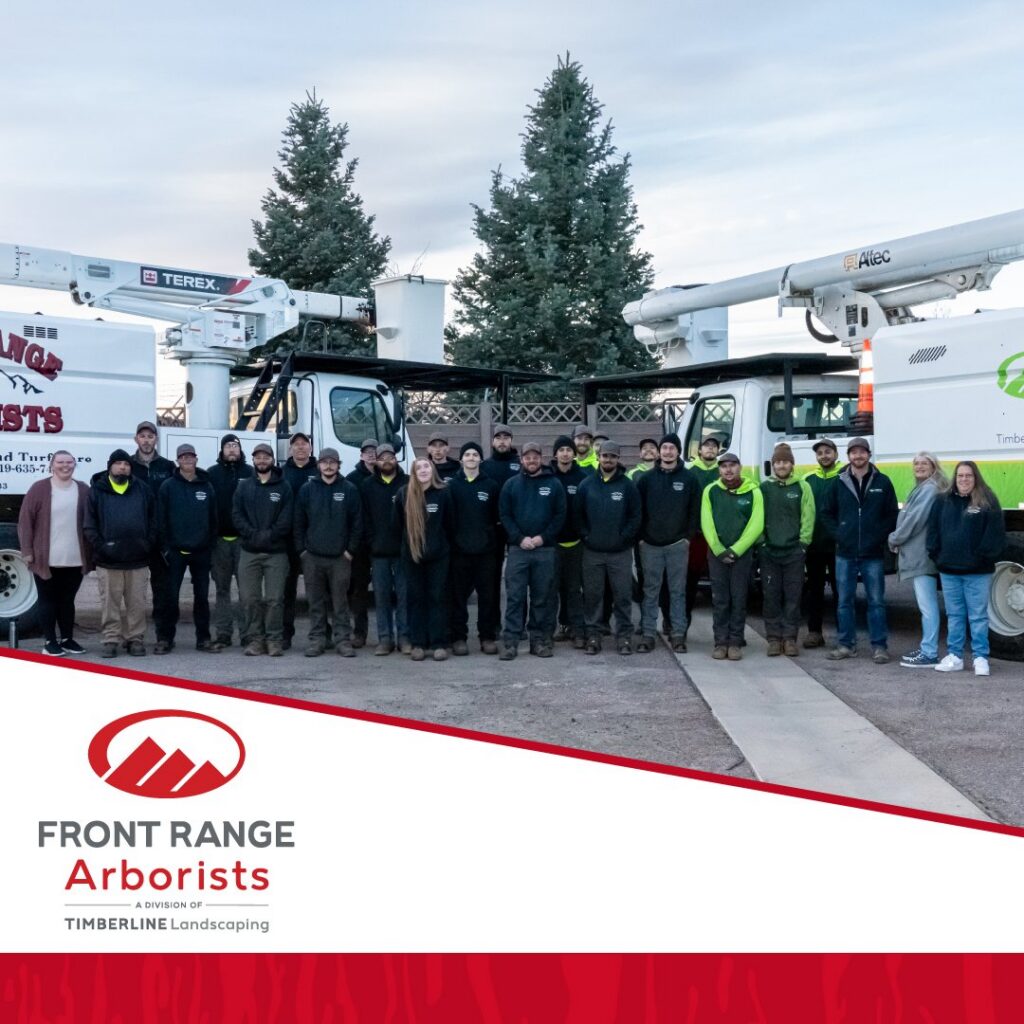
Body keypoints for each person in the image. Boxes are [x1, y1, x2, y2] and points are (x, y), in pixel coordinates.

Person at [821, 437, 899, 663]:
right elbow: (825, 513)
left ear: (868, 454)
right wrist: (840, 534)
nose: (858, 456)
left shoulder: (883, 482)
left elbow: (892, 514)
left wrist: (877, 536)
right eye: (853, 453)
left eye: (862, 452)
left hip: (872, 554)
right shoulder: (838, 482)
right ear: (848, 456)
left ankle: (879, 647)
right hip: (844, 553)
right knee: (844, 601)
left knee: (876, 602)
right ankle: (846, 645)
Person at [927, 461, 1006, 677]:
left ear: (976, 478)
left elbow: (996, 535)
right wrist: (937, 555)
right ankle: (955, 657)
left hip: (977, 572)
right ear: (955, 478)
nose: (964, 479)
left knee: (978, 616)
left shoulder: (987, 501)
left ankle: (980, 658)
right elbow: (932, 530)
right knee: (955, 615)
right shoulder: (942, 500)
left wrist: (981, 557)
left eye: (968, 476)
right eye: (960, 475)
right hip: (949, 570)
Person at [17, 451, 93, 657]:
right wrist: (27, 551)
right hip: (46, 559)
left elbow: (92, 522)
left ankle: (67, 639)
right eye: (60, 462)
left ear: (75, 465)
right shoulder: (39, 489)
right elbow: (25, 522)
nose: (65, 466)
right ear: (52, 465)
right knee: (48, 600)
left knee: (68, 600)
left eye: (69, 462)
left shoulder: (84, 490)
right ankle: (50, 641)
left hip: (75, 558)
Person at [84, 449, 156, 658]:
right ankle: (110, 640)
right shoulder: (97, 490)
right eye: (118, 463)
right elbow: (89, 524)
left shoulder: (142, 489)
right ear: (110, 467)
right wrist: (102, 547)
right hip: (108, 561)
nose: (123, 467)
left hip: (138, 559)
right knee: (110, 603)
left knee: (137, 603)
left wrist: (147, 544)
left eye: (126, 464)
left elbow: (154, 520)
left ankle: (135, 639)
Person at [498, 441, 566, 659]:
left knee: (542, 597)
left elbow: (560, 516)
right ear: (522, 459)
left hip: (544, 550)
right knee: (515, 597)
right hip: (518, 550)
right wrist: (520, 538)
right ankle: (510, 642)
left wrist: (542, 538)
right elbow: (505, 515)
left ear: (541, 458)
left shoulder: (554, 484)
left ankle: (539, 640)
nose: (531, 460)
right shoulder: (510, 485)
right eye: (527, 457)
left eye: (535, 456)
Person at [294, 448, 364, 658]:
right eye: (325, 462)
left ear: (338, 465)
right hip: (312, 557)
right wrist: (302, 551)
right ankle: (317, 640)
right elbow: (298, 522)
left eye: (333, 462)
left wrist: (350, 551)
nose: (329, 465)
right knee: (315, 602)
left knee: (340, 602)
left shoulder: (349, 489)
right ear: (319, 465)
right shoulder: (307, 489)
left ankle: (342, 640)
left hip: (340, 558)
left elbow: (357, 523)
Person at [635, 433, 700, 654]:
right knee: (650, 591)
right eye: (664, 448)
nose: (668, 451)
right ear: (659, 452)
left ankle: (678, 634)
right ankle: (647, 634)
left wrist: (687, 537)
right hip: (650, 545)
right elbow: (638, 511)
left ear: (678, 451)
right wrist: (642, 538)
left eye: (672, 448)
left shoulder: (690, 479)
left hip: (677, 546)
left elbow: (694, 511)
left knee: (677, 591)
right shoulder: (646, 479)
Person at [576, 441, 641, 655]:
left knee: (622, 596)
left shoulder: (627, 485)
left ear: (618, 458)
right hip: (592, 552)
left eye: (613, 456)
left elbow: (635, 516)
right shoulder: (586, 484)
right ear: (599, 457)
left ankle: (623, 637)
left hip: (620, 553)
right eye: (605, 456)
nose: (608, 460)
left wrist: (624, 538)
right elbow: (579, 516)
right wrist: (587, 536)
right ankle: (593, 635)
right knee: (593, 596)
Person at [232, 442, 294, 657]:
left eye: (265, 456)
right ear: (253, 460)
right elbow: (236, 514)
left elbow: (286, 519)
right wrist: (253, 535)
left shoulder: (284, 487)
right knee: (250, 598)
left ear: (272, 460)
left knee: (275, 599)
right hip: (249, 551)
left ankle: (274, 639)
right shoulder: (244, 486)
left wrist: (268, 536)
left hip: (276, 553)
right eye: (258, 457)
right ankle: (255, 639)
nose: (262, 460)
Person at [701, 451, 764, 661]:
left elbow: (756, 524)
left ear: (740, 467)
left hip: (742, 555)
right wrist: (719, 549)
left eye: (732, 465)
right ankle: (720, 642)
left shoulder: (753, 492)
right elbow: (706, 522)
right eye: (724, 466)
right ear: (719, 469)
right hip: (717, 554)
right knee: (720, 599)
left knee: (738, 598)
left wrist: (737, 550)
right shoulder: (710, 491)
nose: (728, 469)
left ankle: (735, 642)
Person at [157, 443, 219, 653]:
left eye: (191, 457)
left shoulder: (206, 486)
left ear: (196, 459)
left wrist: (210, 546)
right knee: (170, 597)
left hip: (201, 552)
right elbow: (161, 519)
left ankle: (203, 639)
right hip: (175, 552)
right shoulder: (168, 486)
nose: (187, 460)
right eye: (183, 457)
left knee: (202, 598)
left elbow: (213, 519)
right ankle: (166, 639)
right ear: (178, 461)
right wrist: (165, 548)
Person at [888, 453, 949, 668]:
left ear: (934, 466)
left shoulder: (929, 489)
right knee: (927, 605)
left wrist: (895, 538)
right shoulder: (925, 487)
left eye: (925, 463)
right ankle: (927, 647)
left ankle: (929, 653)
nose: (919, 466)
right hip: (919, 555)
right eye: (916, 463)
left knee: (927, 606)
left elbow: (915, 519)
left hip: (921, 557)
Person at [759, 443, 815, 657]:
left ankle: (790, 638)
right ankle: (773, 638)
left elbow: (808, 516)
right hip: (769, 552)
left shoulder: (802, 486)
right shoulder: (764, 488)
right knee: (771, 595)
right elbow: (758, 517)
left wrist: (803, 543)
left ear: (792, 464)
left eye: (785, 462)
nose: (781, 465)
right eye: (778, 462)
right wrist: (762, 543)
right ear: (773, 465)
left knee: (793, 597)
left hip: (793, 552)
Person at [398, 458, 455, 661]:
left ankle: (438, 643)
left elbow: (450, 524)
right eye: (419, 467)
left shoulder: (443, 493)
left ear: (433, 471)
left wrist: (442, 547)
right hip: (412, 556)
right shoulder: (404, 494)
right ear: (413, 472)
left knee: (437, 598)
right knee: (416, 599)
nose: (423, 470)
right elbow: (397, 525)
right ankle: (418, 644)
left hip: (439, 556)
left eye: (427, 467)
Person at [447, 441, 501, 655]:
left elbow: (497, 519)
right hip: (459, 552)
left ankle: (487, 637)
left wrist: (490, 542)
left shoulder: (491, 486)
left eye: (475, 454)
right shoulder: (451, 486)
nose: (471, 457)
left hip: (485, 552)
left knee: (487, 598)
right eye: (467, 454)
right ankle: (459, 638)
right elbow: (448, 519)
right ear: (461, 460)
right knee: (458, 598)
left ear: (480, 459)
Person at [130, 420, 176, 654]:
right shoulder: (127, 466)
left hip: (161, 539)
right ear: (136, 439)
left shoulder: (168, 466)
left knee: (163, 592)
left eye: (151, 436)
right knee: (134, 592)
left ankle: (164, 637)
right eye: (142, 436)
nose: (146, 440)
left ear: (156, 439)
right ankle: (133, 637)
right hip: (136, 538)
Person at [359, 442, 408, 655]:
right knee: (381, 597)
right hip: (378, 553)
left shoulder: (407, 483)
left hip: (403, 552)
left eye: (390, 457)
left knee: (405, 597)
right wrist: (372, 542)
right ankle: (385, 639)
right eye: (382, 458)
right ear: (376, 461)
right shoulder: (367, 485)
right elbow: (364, 518)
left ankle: (404, 638)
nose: (386, 461)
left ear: (396, 459)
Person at [206, 434, 253, 648]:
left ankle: (247, 633)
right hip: (219, 542)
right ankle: (223, 632)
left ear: (240, 450)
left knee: (246, 590)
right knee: (222, 589)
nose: (232, 449)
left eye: (235, 446)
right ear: (222, 450)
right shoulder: (212, 474)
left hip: (244, 542)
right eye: (228, 446)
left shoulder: (250, 473)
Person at [549, 434, 590, 648]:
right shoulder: (547, 477)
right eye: (561, 449)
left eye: (568, 450)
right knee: (552, 589)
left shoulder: (582, 478)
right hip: (552, 543)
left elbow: (586, 510)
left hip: (576, 543)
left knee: (574, 589)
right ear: (555, 454)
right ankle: (553, 627)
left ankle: (576, 628)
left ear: (574, 454)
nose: (565, 453)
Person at [802, 438, 842, 648]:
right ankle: (814, 632)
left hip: (838, 546)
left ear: (835, 454)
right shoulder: (807, 479)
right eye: (820, 453)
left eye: (828, 451)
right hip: (815, 545)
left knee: (841, 591)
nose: (824, 455)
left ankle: (843, 636)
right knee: (814, 590)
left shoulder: (845, 477)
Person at [280, 431, 319, 650]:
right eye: (296, 444)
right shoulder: (282, 473)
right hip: (287, 542)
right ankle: (286, 634)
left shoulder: (319, 471)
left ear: (310, 448)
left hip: (313, 541)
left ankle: (322, 634)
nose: (301, 448)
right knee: (288, 591)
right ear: (290, 449)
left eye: (305, 444)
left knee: (317, 591)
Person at [345, 438, 378, 648]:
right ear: (361, 455)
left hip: (384, 542)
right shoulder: (352, 479)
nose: (371, 455)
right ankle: (360, 633)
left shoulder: (391, 475)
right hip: (361, 544)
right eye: (367, 452)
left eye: (374, 451)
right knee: (359, 590)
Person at [685, 433, 722, 615]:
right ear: (699, 450)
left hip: (719, 534)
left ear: (718, 450)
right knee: (691, 575)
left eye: (714, 446)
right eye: (706, 445)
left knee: (720, 578)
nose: (710, 449)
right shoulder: (690, 472)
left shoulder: (724, 471)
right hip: (697, 534)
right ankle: (684, 615)